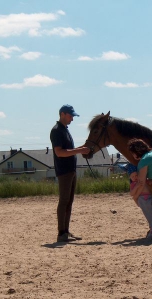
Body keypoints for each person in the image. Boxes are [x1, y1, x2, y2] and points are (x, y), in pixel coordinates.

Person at [50, 104, 91, 243]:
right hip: (64, 171)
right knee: (64, 201)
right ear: (62, 114)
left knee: (69, 201)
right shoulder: (56, 131)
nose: (72, 118)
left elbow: (69, 150)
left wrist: (83, 148)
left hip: (71, 170)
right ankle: (61, 233)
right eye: (70, 115)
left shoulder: (64, 130)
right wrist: (79, 150)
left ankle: (65, 231)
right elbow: (59, 152)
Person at [126, 163, 152, 241]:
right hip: (142, 199)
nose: (135, 178)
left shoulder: (142, 180)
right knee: (150, 214)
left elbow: (150, 183)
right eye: (132, 177)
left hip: (149, 197)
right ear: (130, 177)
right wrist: (136, 186)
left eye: (136, 175)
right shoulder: (134, 184)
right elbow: (132, 193)